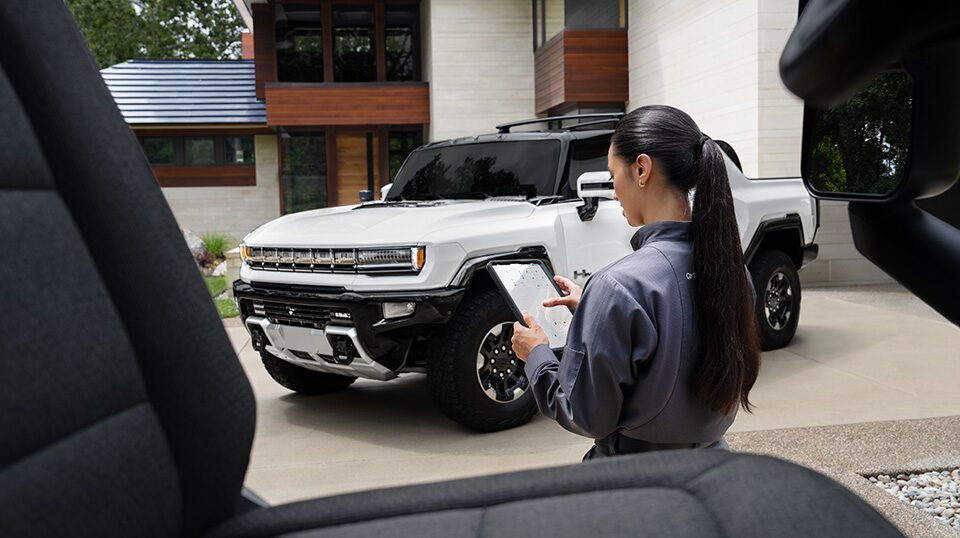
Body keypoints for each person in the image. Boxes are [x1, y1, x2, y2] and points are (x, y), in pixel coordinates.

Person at [511, 105, 761, 460]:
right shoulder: (736, 275)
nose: (614, 191)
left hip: (634, 480)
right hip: (714, 464)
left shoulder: (620, 286)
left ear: (641, 169)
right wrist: (596, 311)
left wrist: (535, 354)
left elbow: (584, 415)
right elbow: (681, 323)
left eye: (613, 174)